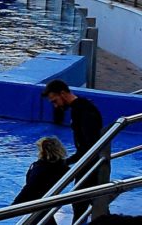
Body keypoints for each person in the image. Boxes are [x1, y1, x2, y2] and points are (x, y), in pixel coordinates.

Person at [42, 79, 110, 221]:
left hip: (92, 165)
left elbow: (90, 146)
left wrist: (68, 162)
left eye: (55, 101)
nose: (55, 106)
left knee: (85, 204)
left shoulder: (85, 111)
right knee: (83, 204)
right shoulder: (78, 109)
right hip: (86, 163)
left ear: (63, 93)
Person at [12, 136, 69, 225]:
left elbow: (29, 187)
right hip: (48, 200)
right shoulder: (63, 168)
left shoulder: (39, 168)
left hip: (36, 202)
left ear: (42, 151)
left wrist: (16, 203)